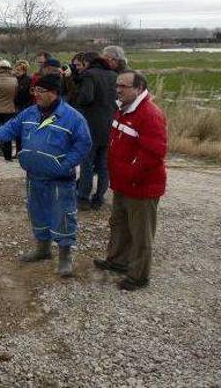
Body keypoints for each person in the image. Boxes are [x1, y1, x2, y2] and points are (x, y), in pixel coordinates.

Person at [0, 74, 92, 276]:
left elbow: (84, 144)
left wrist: (65, 164)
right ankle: (43, 250)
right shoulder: (29, 113)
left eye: (41, 91)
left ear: (54, 93)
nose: (36, 95)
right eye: (34, 90)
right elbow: (12, 126)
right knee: (37, 213)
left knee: (63, 216)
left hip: (60, 179)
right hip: (34, 176)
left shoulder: (73, 117)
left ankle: (65, 257)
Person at [95, 71, 167, 291]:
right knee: (119, 224)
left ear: (138, 88)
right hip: (123, 184)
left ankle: (139, 275)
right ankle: (117, 261)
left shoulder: (149, 114)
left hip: (141, 187)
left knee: (140, 233)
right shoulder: (123, 109)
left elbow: (154, 154)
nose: (118, 89)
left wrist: (132, 174)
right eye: (117, 85)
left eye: (124, 86)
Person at [75, 52, 118, 210]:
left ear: (87, 63)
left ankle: (83, 197)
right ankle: (99, 198)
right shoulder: (114, 75)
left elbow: (86, 98)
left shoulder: (89, 75)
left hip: (91, 125)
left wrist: (78, 97)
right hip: (110, 124)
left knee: (87, 163)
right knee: (103, 165)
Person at [13, 60, 33, 153]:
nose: (16, 72)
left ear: (24, 71)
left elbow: (30, 95)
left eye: (19, 70)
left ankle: (22, 151)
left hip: (24, 107)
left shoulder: (28, 80)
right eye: (16, 69)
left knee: (23, 131)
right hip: (15, 106)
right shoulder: (14, 79)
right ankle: (18, 151)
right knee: (17, 131)